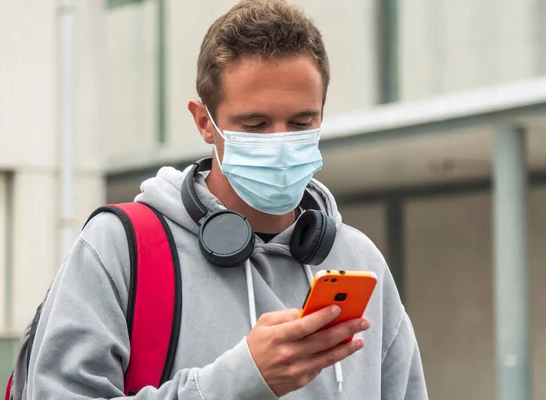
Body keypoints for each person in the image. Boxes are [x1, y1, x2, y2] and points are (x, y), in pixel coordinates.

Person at [26, 0, 428, 398]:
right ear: (204, 121)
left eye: (301, 122)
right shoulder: (121, 248)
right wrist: (239, 380)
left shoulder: (359, 261)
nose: (281, 143)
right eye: (255, 124)